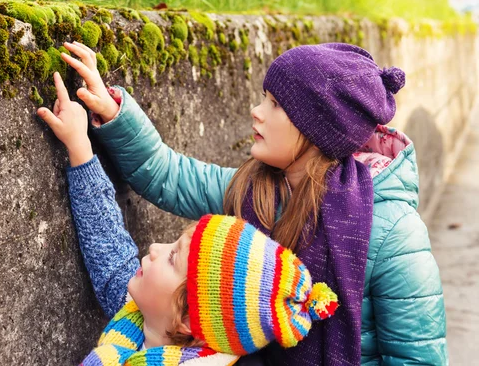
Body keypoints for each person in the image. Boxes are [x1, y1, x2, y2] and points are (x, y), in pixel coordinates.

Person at [54, 40, 448, 365]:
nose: (256, 112)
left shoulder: (394, 232)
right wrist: (114, 110)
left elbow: (418, 358)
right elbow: (167, 173)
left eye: (275, 104)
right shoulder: (253, 192)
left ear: (316, 130)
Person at [36, 74, 338, 365]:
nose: (154, 246)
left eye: (172, 258)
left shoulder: (147, 323)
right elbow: (109, 251)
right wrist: (79, 146)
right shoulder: (143, 317)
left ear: (187, 321)